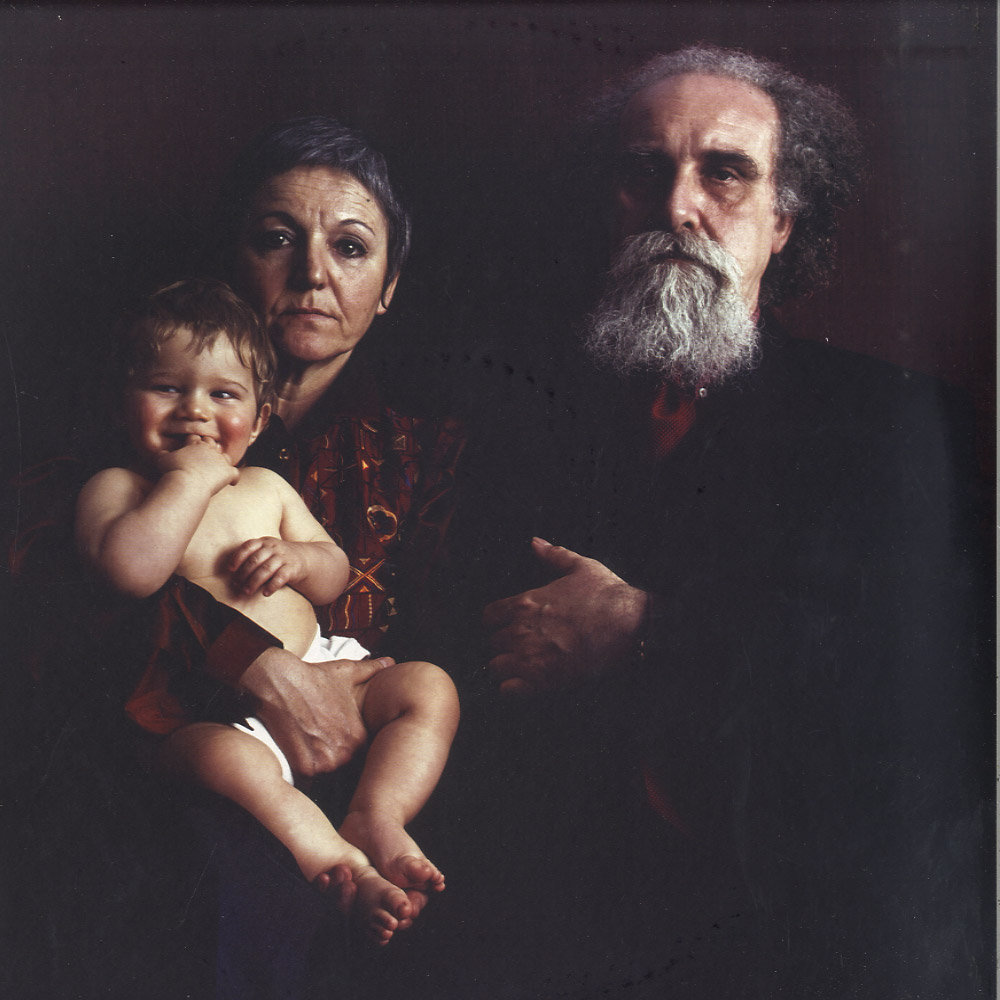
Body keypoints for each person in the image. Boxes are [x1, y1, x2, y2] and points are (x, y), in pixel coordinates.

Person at [461, 45, 989, 998]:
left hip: (806, 938)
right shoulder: (511, 418)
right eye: (644, 171)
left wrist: (642, 629)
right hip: (567, 935)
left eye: (725, 173)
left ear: (783, 220)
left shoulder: (900, 424)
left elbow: (927, 694)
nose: (678, 207)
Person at [9, 118, 465, 999]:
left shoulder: (426, 449)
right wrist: (248, 663)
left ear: (388, 288)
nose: (313, 274)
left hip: (360, 725)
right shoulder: (124, 444)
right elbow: (61, 590)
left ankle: (376, 825)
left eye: (351, 247)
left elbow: (406, 606)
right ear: (231, 258)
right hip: (195, 737)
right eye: (277, 239)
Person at [74, 278, 459, 946]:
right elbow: (128, 573)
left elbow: (334, 571)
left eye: (223, 394)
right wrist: (188, 480)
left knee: (430, 688)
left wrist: (298, 558)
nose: (194, 411)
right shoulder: (117, 488)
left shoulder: (267, 486)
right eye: (167, 388)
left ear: (257, 420)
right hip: (207, 707)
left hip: (322, 664)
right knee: (230, 766)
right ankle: (334, 863)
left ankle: (378, 814)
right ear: (121, 404)